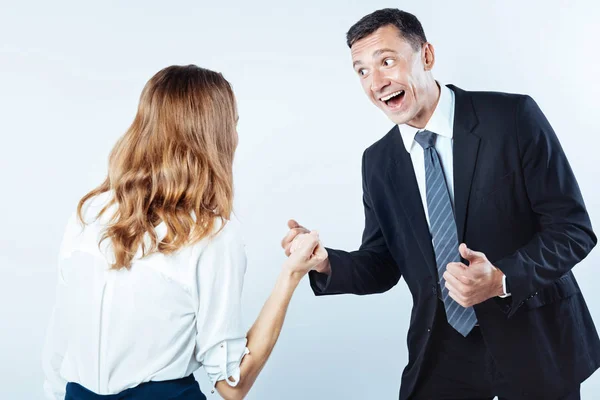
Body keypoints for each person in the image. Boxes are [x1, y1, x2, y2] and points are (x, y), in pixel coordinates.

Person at [283, 8, 599, 400]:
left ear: (427, 56)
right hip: (442, 355)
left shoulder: (512, 118)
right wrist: (325, 261)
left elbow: (572, 230)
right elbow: (382, 264)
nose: (376, 82)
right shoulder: (378, 161)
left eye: (386, 61)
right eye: (362, 71)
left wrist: (501, 278)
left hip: (535, 340)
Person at [42, 65, 326, 400]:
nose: (235, 136)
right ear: (215, 136)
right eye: (233, 124)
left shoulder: (91, 211)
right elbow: (232, 385)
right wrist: (291, 274)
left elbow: (58, 349)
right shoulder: (212, 233)